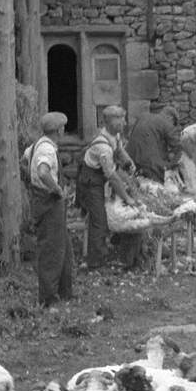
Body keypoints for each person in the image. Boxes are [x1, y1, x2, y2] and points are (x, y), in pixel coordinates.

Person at [76, 104, 138, 270]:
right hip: (90, 181)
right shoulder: (102, 147)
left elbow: (119, 150)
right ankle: (95, 262)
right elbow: (112, 176)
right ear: (109, 122)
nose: (124, 123)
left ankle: (108, 249)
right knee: (99, 220)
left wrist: (128, 162)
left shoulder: (115, 135)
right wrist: (127, 197)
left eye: (123, 119)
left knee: (105, 214)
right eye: (120, 120)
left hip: (99, 178)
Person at [25, 111, 73, 309]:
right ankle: (48, 299)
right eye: (63, 128)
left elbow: (24, 161)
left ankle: (64, 292)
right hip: (48, 202)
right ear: (59, 130)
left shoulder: (36, 145)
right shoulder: (47, 150)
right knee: (51, 250)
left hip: (44, 200)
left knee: (64, 248)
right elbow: (43, 171)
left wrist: (30, 182)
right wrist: (56, 188)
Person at [125, 104, 181, 183]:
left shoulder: (143, 116)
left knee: (135, 183)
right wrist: (172, 164)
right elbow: (178, 146)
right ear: (170, 117)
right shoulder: (166, 123)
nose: (172, 125)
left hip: (130, 157)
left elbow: (131, 136)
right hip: (149, 163)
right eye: (174, 123)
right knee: (158, 184)